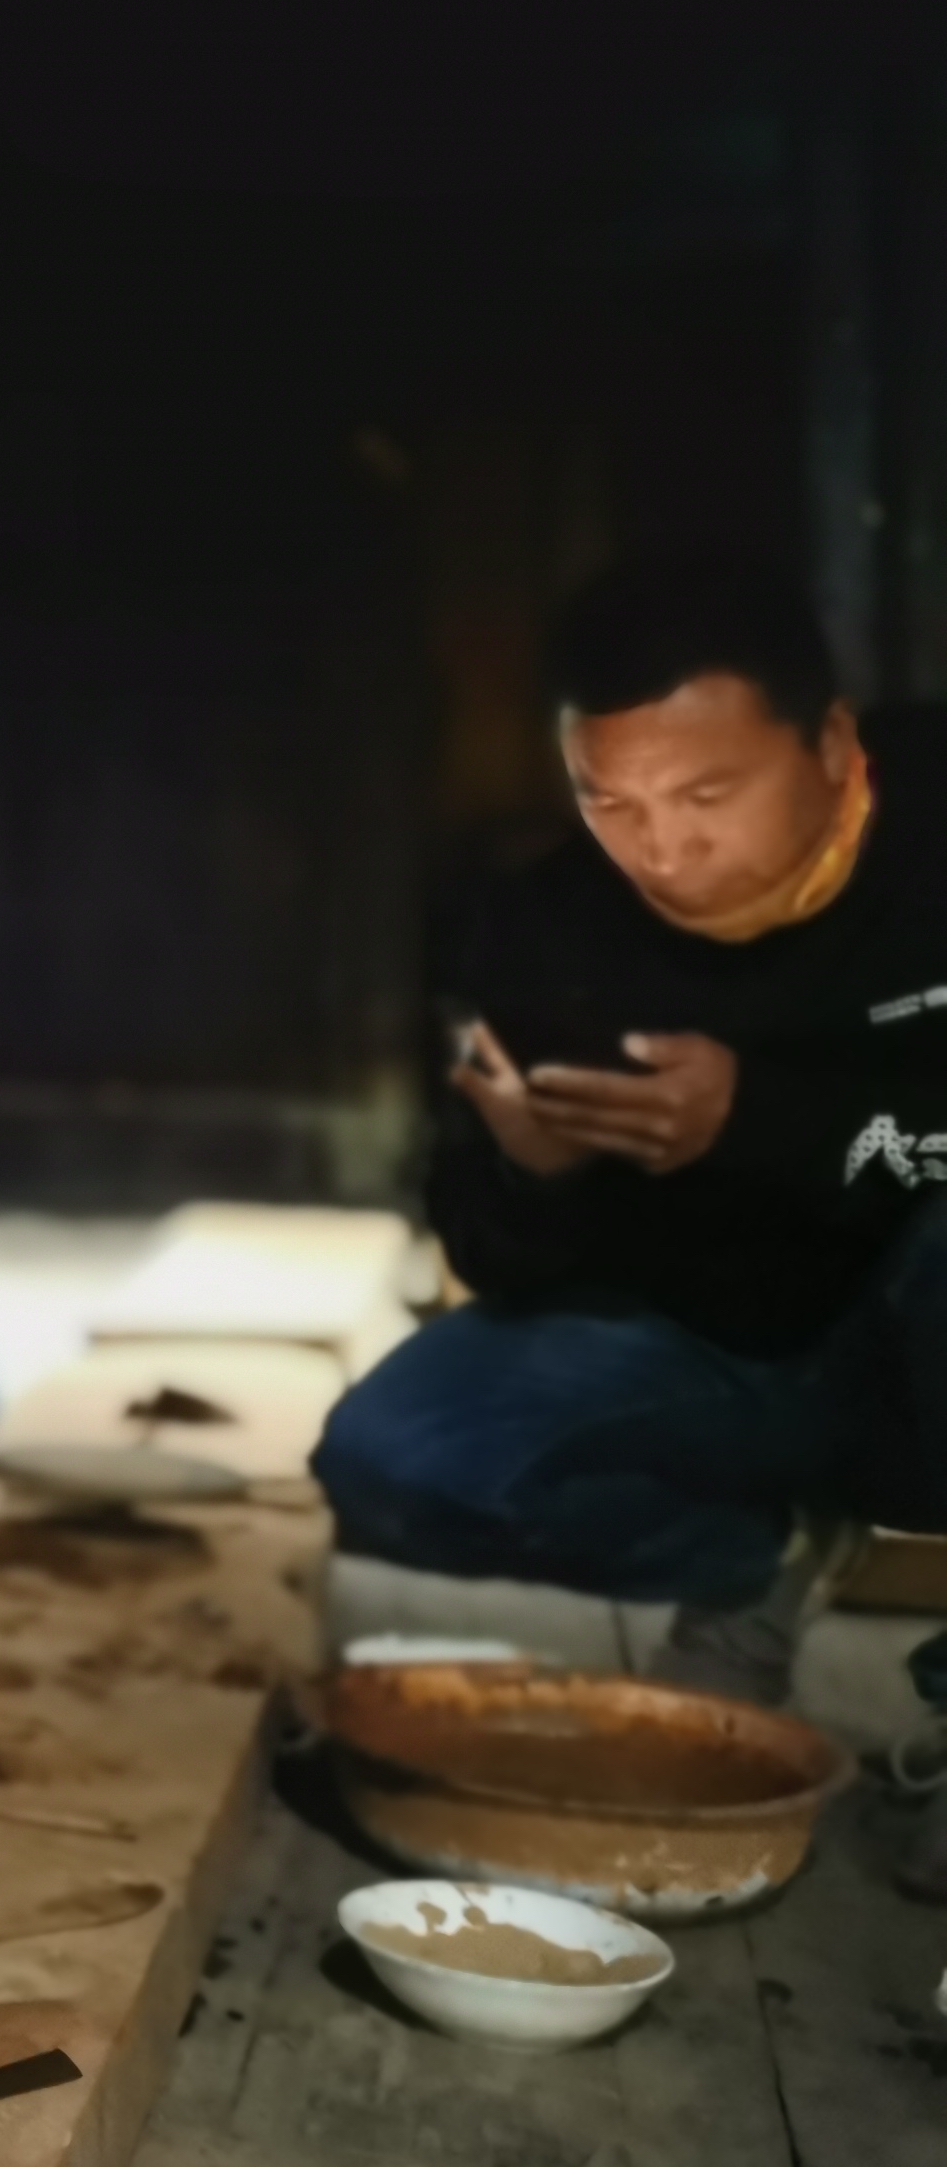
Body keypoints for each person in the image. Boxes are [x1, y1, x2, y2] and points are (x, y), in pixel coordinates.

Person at [314, 557, 947, 1858]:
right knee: (397, 1454)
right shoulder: (552, 925)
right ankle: (762, 1562)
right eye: (612, 801)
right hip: (724, 1351)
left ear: (834, 744)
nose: (662, 849)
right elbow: (489, 1250)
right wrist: (532, 1171)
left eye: (708, 794)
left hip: (921, 1325)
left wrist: (761, 1121)